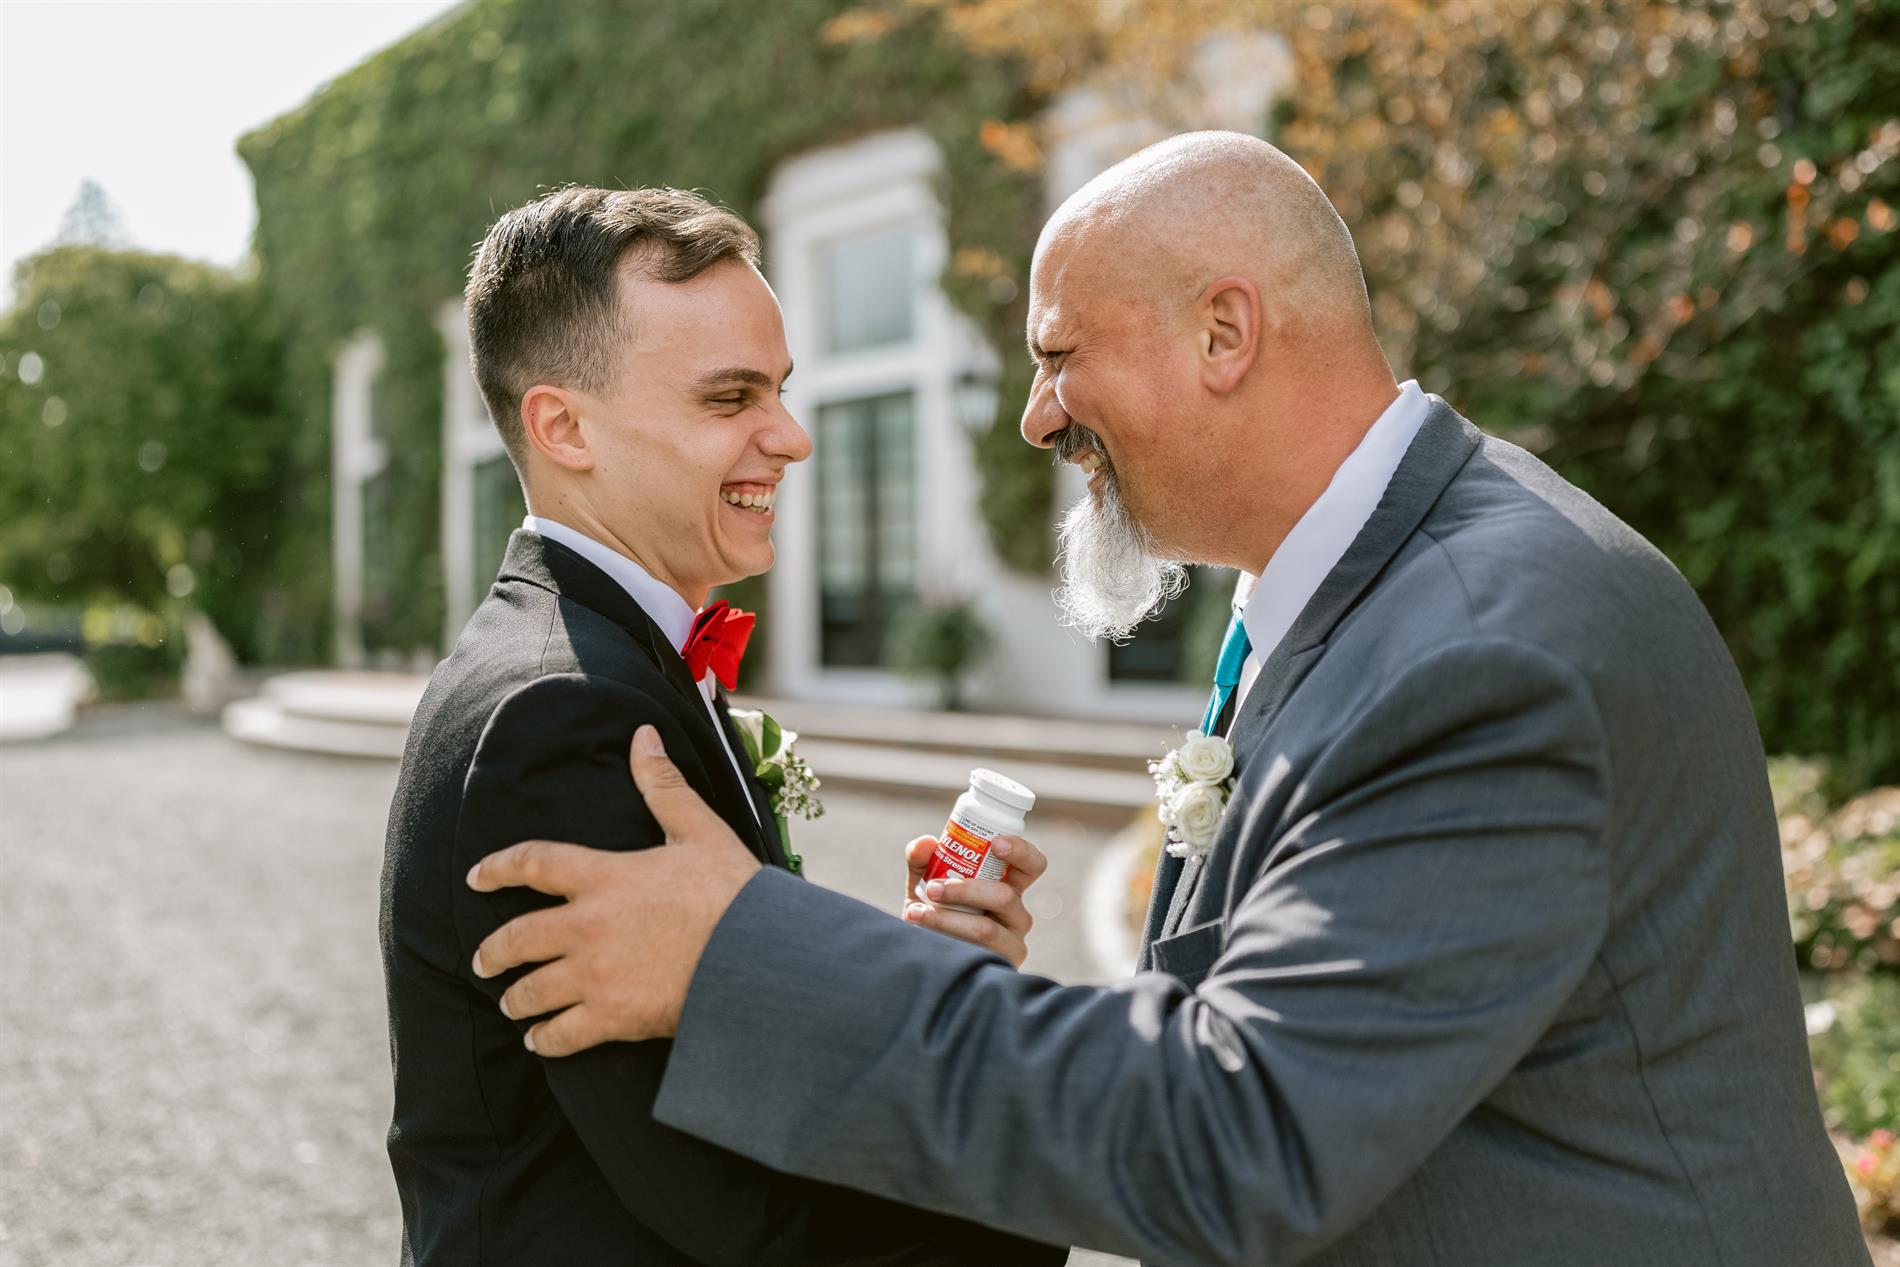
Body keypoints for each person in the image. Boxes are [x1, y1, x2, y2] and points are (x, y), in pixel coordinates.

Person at [466, 135, 1872, 1266]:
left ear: (1222, 333)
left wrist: (744, 956)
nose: (1038, 416)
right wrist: (946, 982)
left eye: (1058, 355)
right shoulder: (1354, 591)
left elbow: (1245, 1129)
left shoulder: (1478, 646)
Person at [379, 184, 1064, 1266]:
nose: (790, 436)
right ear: (563, 427)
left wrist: (920, 974)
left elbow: (733, 1033)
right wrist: (1025, 1146)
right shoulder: (564, 712)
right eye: (729, 397)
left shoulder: (607, 658)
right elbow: (744, 1200)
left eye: (779, 390)